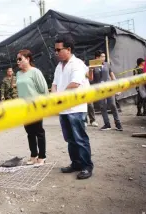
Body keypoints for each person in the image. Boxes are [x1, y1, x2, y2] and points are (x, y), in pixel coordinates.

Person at [51, 35, 93, 180]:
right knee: (70, 139)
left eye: (58, 50)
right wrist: (54, 97)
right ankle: (75, 163)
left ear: (68, 49)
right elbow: (54, 84)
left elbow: (75, 83)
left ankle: (87, 166)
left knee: (80, 138)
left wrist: (59, 97)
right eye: (55, 50)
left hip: (76, 108)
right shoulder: (59, 66)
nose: (56, 53)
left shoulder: (77, 64)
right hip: (64, 109)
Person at [16, 49, 49, 166]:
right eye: (17, 59)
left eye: (20, 59)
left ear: (28, 59)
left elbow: (43, 90)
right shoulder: (18, 74)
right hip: (24, 108)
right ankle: (33, 155)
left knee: (39, 132)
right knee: (29, 133)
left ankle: (42, 156)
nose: (18, 62)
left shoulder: (35, 72)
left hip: (36, 107)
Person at [91, 50, 123, 131]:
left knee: (112, 105)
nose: (104, 58)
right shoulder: (93, 66)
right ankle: (107, 124)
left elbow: (112, 76)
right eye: (102, 56)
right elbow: (91, 79)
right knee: (102, 107)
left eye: (104, 56)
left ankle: (118, 124)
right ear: (97, 57)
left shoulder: (107, 64)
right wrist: (90, 70)